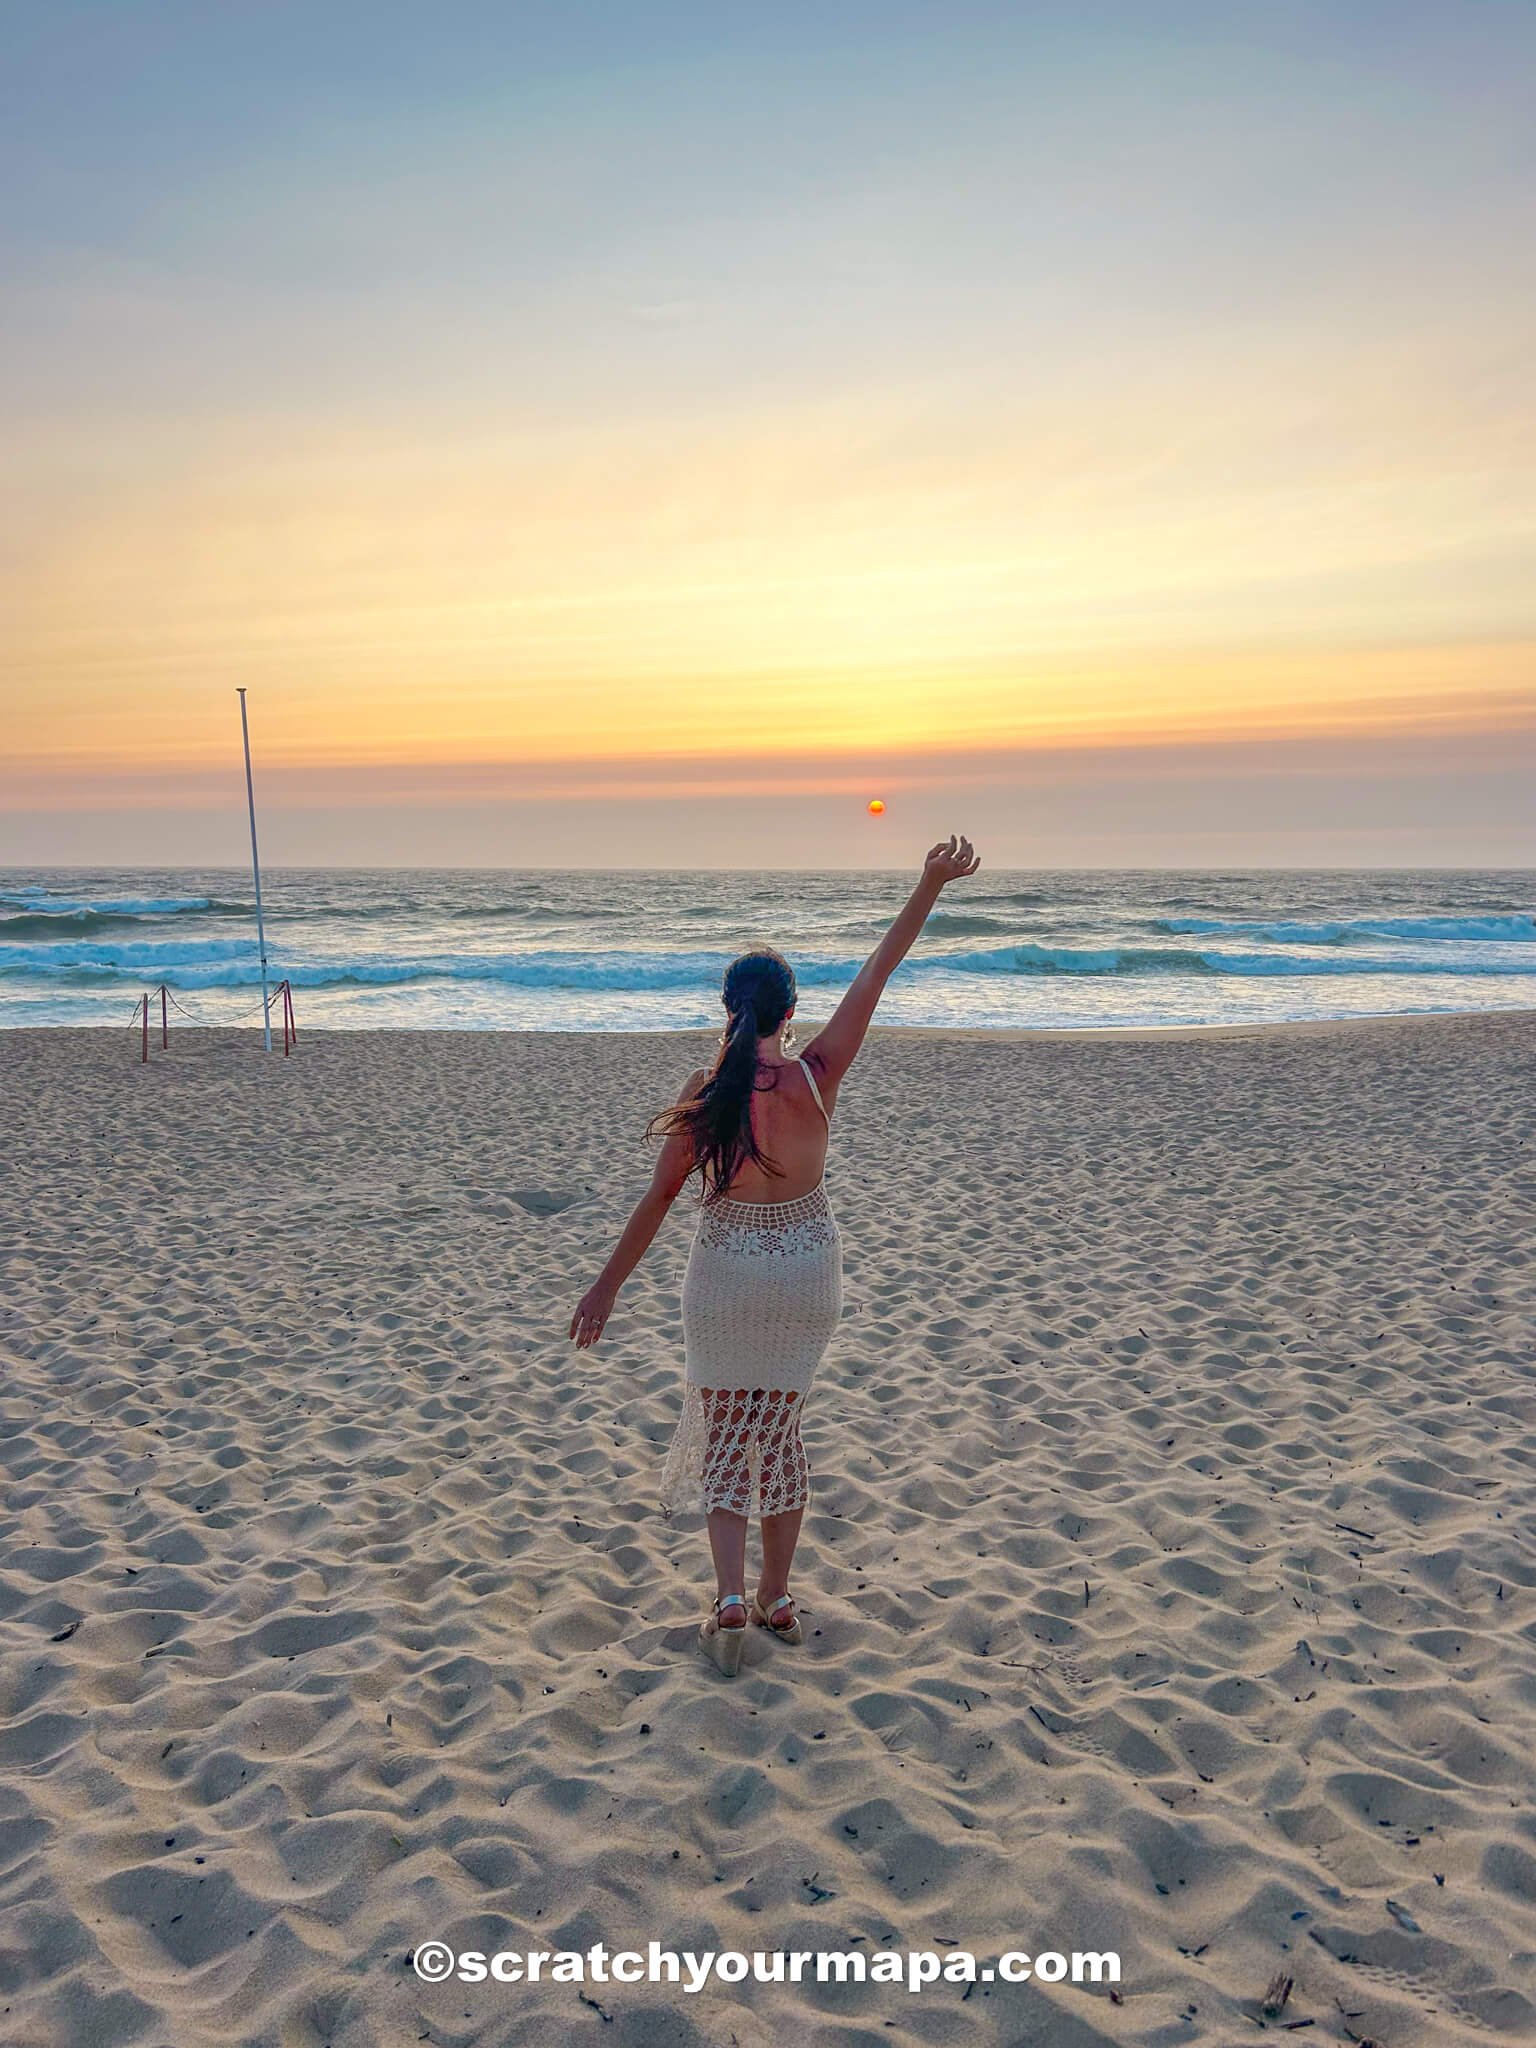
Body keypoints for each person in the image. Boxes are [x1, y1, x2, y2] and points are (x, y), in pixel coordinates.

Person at [569, 836, 981, 1674]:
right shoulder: (818, 1074)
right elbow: (880, 973)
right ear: (791, 1011)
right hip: (802, 1273)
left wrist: (605, 1289)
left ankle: (728, 1600)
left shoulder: (703, 1090)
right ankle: (778, 1599)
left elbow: (658, 1201)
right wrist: (930, 883)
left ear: (728, 1007)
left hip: (723, 1274)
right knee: (781, 1432)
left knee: (726, 1435)